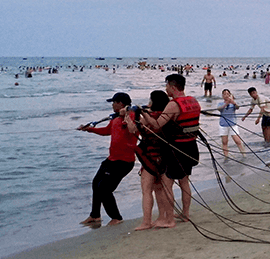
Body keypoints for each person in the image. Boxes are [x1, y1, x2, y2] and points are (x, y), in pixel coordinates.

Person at [139, 74, 201, 225]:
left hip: (176, 149)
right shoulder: (194, 101)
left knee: (167, 184)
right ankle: (185, 214)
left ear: (173, 87)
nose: (166, 89)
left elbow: (156, 125)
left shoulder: (173, 105)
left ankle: (169, 220)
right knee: (184, 181)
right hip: (191, 146)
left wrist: (144, 114)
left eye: (166, 86)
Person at [78, 92, 138, 226]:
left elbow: (133, 130)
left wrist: (126, 114)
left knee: (104, 188)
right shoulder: (115, 119)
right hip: (112, 159)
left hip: (124, 161)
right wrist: (89, 130)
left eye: (114, 102)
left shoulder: (132, 116)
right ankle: (95, 215)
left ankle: (116, 217)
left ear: (120, 104)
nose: (112, 105)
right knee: (96, 183)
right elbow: (106, 131)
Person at [125, 90, 174, 231]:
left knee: (147, 190)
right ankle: (164, 217)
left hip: (150, 157)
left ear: (152, 101)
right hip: (166, 155)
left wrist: (129, 121)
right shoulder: (166, 116)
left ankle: (147, 221)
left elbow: (133, 130)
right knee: (163, 189)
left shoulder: (145, 117)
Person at [218, 89, 247, 157]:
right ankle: (226, 156)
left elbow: (237, 107)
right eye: (224, 94)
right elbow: (220, 109)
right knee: (224, 142)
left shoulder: (233, 104)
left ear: (230, 95)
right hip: (223, 125)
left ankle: (244, 154)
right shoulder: (221, 104)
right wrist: (226, 103)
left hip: (232, 124)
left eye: (227, 94)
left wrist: (233, 102)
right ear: (222, 96)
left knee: (237, 141)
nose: (226, 95)